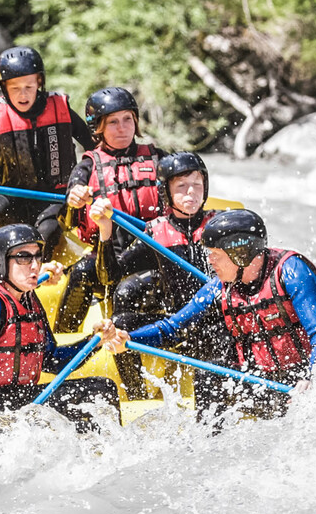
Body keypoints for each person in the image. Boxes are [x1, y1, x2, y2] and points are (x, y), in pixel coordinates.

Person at [102, 209, 316, 420]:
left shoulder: (293, 271)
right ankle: (209, 443)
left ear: (241, 255)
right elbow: (173, 327)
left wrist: (311, 378)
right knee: (209, 373)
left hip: (308, 376)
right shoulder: (218, 287)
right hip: (266, 379)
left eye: (216, 256)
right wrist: (128, 339)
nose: (211, 263)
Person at [0, 224, 121, 432]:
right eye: (23, 257)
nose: (35, 265)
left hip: (14, 399)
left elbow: (53, 361)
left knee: (101, 390)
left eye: (37, 256)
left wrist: (94, 341)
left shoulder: (28, 299)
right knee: (99, 391)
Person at [0, 46, 96, 261]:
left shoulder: (59, 108)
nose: (22, 94)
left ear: (39, 83)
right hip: (12, 195)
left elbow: (92, 145)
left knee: (47, 230)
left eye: (28, 86)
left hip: (54, 196)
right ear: (3, 88)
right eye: (15, 88)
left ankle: (36, 272)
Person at [88, 152, 219, 397]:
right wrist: (105, 230)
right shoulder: (155, 232)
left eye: (197, 185)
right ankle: (136, 395)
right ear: (166, 192)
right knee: (122, 323)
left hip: (215, 322)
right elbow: (109, 276)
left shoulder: (220, 225)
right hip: (175, 323)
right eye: (181, 186)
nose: (190, 192)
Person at [54, 86, 165, 332]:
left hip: (155, 252)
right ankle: (64, 336)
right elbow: (68, 218)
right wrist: (75, 199)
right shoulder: (87, 167)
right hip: (109, 256)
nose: (122, 128)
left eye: (128, 119)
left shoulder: (158, 158)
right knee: (82, 271)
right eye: (113, 122)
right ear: (98, 128)